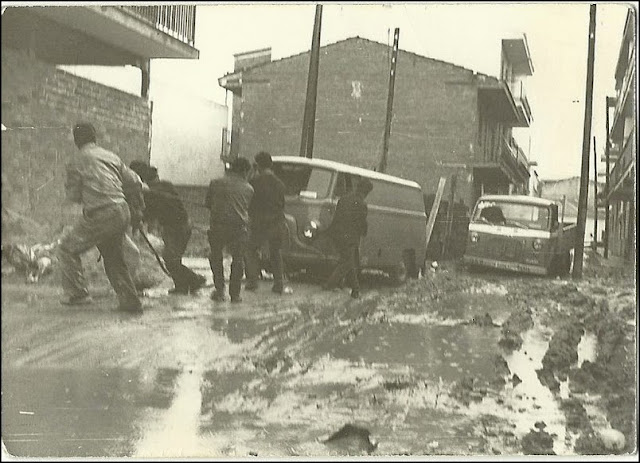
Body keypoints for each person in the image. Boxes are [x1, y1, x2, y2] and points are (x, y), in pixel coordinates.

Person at [57, 122, 144, 313]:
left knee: (65, 248)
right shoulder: (111, 156)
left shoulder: (76, 161)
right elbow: (135, 181)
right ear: (94, 138)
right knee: (113, 257)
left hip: (102, 213)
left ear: (76, 140)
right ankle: (130, 301)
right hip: (122, 210)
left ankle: (77, 294)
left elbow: (73, 196)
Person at [129, 161, 207, 295]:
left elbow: (148, 212)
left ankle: (196, 279)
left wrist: (138, 219)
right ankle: (181, 287)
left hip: (176, 228)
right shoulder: (166, 185)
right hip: (181, 225)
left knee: (171, 260)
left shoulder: (150, 192)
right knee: (173, 258)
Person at [205, 157, 254, 303]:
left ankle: (219, 291)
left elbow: (208, 204)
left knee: (216, 257)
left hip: (217, 226)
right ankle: (235, 294)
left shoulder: (215, 183)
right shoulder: (248, 189)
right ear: (245, 171)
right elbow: (248, 209)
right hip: (238, 228)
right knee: (238, 260)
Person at [321, 177, 373, 299]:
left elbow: (337, 218)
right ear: (366, 192)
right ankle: (330, 284)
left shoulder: (343, 199)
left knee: (348, 261)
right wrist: (364, 232)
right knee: (347, 263)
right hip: (350, 238)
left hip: (337, 235)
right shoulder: (362, 204)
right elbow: (362, 224)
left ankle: (355, 290)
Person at [244, 151, 288, 294]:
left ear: (257, 165)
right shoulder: (280, 183)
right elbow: (282, 204)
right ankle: (278, 284)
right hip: (276, 222)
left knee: (251, 250)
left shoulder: (254, 182)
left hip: (259, 222)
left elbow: (249, 201)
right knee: (276, 253)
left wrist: (252, 172)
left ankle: (252, 282)